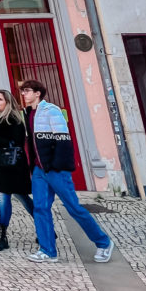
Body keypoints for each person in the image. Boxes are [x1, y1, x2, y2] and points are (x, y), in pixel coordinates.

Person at [20, 78, 114, 263]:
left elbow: (63, 140)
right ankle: (48, 250)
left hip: (55, 170)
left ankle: (103, 242)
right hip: (39, 170)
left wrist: (56, 166)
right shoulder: (28, 113)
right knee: (40, 208)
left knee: (73, 208)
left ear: (37, 93)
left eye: (27, 90)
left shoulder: (51, 110)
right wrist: (33, 167)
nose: (24, 94)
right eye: (23, 91)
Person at [0, 89, 34, 251]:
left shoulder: (14, 120)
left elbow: (17, 144)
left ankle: (46, 227)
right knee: (4, 198)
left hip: (15, 167)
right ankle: (1, 237)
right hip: (0, 166)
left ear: (8, 103)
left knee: (23, 198)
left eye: (0, 99)